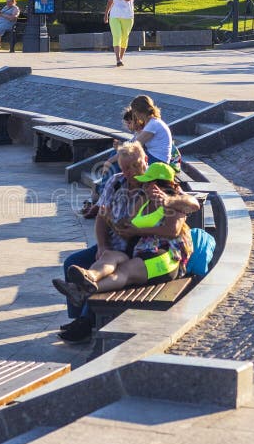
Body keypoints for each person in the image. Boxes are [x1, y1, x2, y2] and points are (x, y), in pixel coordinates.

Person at [55, 162, 199, 306]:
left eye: (147, 183)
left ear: (156, 184)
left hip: (164, 257)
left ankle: (82, 291)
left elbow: (172, 231)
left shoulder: (175, 203)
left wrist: (139, 230)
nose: (143, 186)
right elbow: (127, 228)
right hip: (140, 250)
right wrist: (110, 219)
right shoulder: (143, 200)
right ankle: (89, 276)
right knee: (109, 256)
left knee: (124, 271)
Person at [55, 141, 148, 343]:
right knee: (72, 262)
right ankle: (78, 318)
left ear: (145, 160)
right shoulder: (115, 182)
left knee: (97, 276)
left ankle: (86, 323)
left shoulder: (153, 184)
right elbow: (101, 218)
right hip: (112, 246)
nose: (131, 172)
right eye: (126, 168)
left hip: (136, 252)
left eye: (135, 165)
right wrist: (103, 244)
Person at [103, 0, 136, 67]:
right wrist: (106, 15)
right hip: (115, 16)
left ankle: (120, 58)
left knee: (124, 38)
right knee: (117, 36)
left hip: (127, 16)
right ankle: (118, 59)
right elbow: (110, 2)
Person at [131, 94, 172, 165]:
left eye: (134, 111)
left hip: (158, 160)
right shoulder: (152, 122)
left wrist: (112, 159)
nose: (134, 114)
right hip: (155, 157)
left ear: (139, 111)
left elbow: (135, 145)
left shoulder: (153, 124)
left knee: (126, 161)